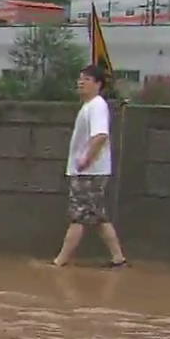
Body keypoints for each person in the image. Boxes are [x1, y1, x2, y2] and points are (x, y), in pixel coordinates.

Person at [51, 65, 128, 268]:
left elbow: (101, 135)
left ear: (98, 84)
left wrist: (86, 159)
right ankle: (118, 258)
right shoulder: (90, 106)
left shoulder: (96, 106)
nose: (80, 82)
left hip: (89, 172)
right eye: (80, 79)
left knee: (78, 217)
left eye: (86, 79)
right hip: (90, 171)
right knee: (98, 217)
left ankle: (60, 261)